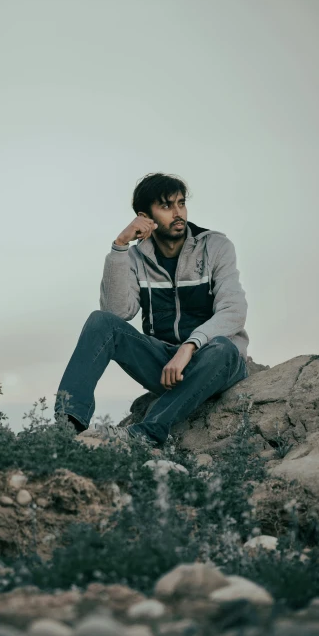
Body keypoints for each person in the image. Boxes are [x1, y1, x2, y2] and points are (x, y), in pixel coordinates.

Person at [54, 172, 249, 447]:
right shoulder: (134, 258)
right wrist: (120, 246)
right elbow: (117, 312)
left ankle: (148, 432)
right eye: (166, 206)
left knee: (222, 348)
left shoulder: (214, 246)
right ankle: (67, 427)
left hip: (214, 363)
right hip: (166, 367)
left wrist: (189, 346)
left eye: (181, 203)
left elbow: (233, 310)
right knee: (100, 322)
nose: (177, 212)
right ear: (145, 217)